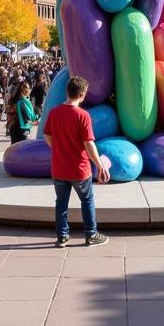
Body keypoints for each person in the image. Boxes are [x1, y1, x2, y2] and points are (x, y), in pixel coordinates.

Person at [43, 76, 109, 248]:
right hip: (79, 169)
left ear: (67, 91)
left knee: (61, 203)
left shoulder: (54, 112)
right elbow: (89, 143)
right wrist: (99, 164)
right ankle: (91, 234)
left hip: (59, 167)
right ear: (82, 94)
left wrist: (58, 148)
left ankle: (62, 236)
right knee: (87, 200)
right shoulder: (83, 115)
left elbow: (47, 135)